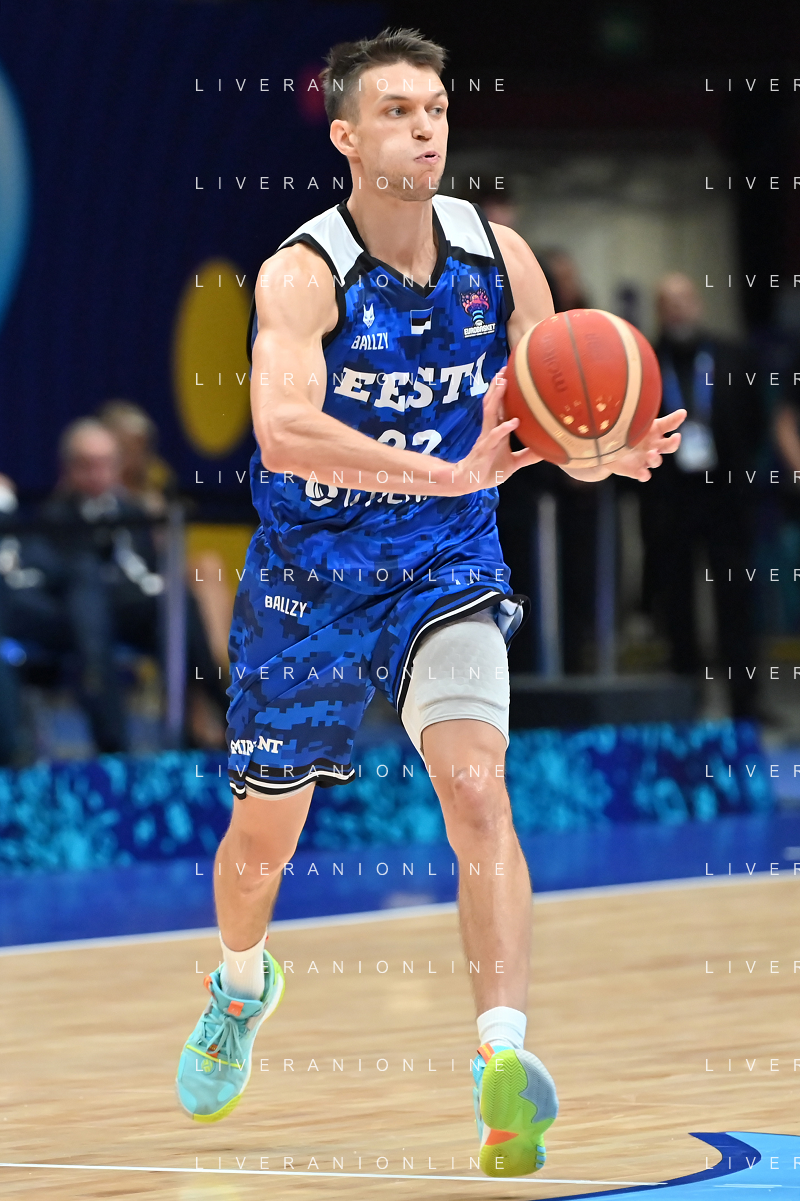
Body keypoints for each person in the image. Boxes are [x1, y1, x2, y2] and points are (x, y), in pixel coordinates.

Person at [173, 29, 684, 1177]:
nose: (423, 127)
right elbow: (283, 429)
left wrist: (598, 451)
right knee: (259, 846)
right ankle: (241, 985)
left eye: (436, 108)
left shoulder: (499, 257)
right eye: (397, 110)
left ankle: (501, 1064)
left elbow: (540, 412)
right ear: (346, 138)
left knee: (476, 786)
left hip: (444, 564)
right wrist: (445, 471)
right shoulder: (303, 273)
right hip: (311, 578)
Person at [41, 419, 228, 750]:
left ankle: (213, 719)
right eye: (87, 465)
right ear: (69, 468)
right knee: (95, 623)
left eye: (105, 464)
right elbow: (63, 576)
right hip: (91, 616)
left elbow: (153, 565)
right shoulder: (56, 516)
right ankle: (117, 745)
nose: (97, 473)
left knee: (180, 609)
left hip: (140, 608)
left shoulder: (134, 510)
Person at [639, 273, 764, 718]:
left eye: (684, 299)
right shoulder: (646, 361)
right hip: (670, 497)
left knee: (736, 598)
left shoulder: (731, 355)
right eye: (667, 302)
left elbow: (755, 421)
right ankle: (685, 704)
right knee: (676, 601)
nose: (677, 309)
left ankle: (746, 705)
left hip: (726, 494)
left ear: (698, 304)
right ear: (659, 311)